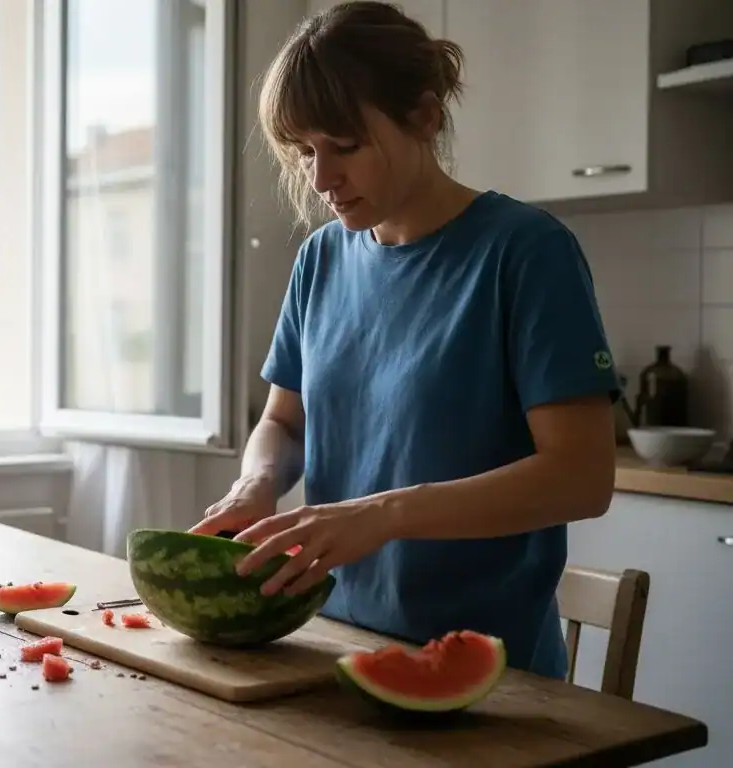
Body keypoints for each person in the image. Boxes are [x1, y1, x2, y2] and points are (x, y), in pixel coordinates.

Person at [189, 1, 620, 679]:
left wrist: (385, 514)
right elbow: (283, 420)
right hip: (331, 644)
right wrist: (258, 481)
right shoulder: (322, 259)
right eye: (305, 152)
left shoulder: (526, 253)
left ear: (423, 116)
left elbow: (583, 477)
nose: (322, 179)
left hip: (496, 675)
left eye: (346, 146)